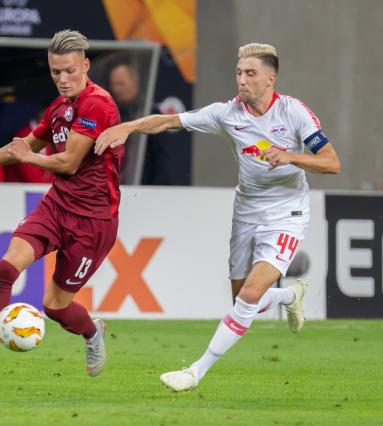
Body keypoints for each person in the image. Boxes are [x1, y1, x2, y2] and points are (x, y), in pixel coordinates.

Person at [95, 42, 340, 391]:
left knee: (251, 294)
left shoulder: (294, 113)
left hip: (287, 212)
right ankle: (289, 295)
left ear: (271, 78)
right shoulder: (227, 114)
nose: (242, 80)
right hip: (246, 211)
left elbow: (332, 162)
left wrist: (291, 157)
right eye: (239, 73)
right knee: (242, 301)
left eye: (251, 74)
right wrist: (129, 127)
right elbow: (167, 121)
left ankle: (195, 371)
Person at [0, 30, 124, 387]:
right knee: (5, 270)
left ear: (86, 66)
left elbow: (70, 163)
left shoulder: (98, 104)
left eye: (69, 71)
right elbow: (21, 147)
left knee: (55, 307)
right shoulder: (58, 109)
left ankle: (92, 333)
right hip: (56, 206)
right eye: (55, 72)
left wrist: (30, 157)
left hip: (93, 221)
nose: (62, 79)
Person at [4, 105, 54, 184]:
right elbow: (31, 177)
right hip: (18, 191)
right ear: (43, 114)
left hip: (40, 189)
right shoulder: (24, 135)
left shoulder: (49, 133)